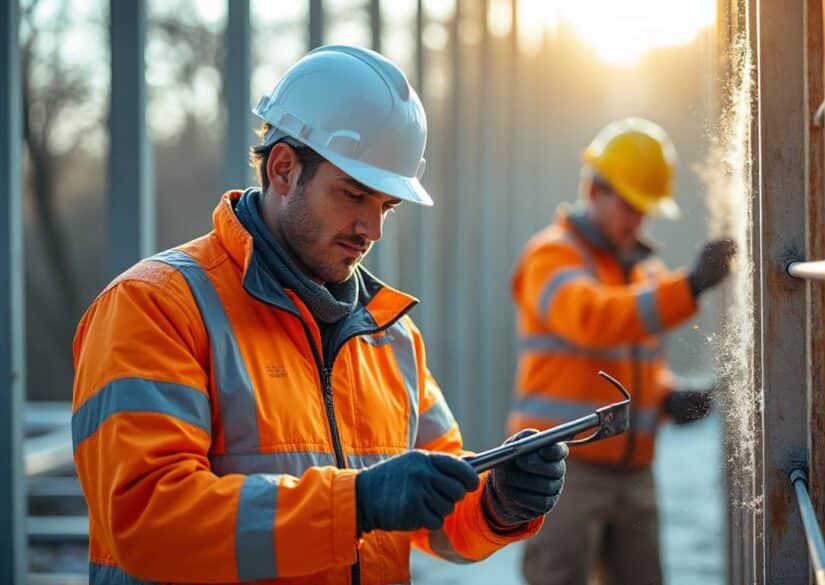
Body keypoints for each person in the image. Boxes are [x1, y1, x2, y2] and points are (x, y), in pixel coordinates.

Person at [71, 45, 567, 585]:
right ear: (283, 169)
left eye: (386, 206)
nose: (371, 229)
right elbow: (148, 522)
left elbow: (436, 509)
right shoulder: (156, 306)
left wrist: (498, 501)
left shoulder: (391, 335)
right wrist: (354, 505)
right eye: (354, 195)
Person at [507, 118, 736, 585]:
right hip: (561, 469)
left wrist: (665, 399)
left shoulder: (643, 271)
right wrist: (690, 286)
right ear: (595, 191)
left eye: (645, 209)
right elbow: (595, 320)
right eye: (630, 206)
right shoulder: (551, 257)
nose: (637, 220)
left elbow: (632, 369)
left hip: (634, 473)